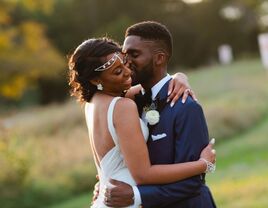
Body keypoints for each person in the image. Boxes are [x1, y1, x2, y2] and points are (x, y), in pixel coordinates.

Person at [68, 37, 216, 208]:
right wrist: (203, 164)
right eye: (117, 72)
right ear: (95, 80)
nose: (127, 72)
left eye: (125, 63)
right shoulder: (123, 106)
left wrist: (179, 77)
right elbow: (143, 174)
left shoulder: (93, 103)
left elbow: (156, 87)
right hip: (125, 198)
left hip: (107, 198)